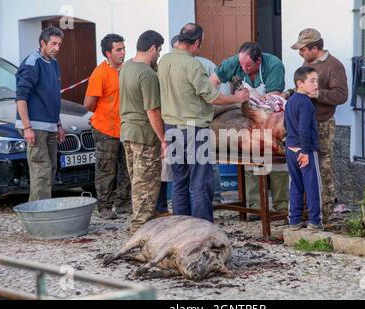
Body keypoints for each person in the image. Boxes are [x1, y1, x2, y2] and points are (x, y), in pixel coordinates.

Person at [158, 23, 249, 223]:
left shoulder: (164, 60)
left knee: (180, 181)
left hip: (171, 127)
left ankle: (180, 227)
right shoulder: (193, 65)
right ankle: (202, 228)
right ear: (197, 42)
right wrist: (237, 98)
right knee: (200, 182)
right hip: (194, 130)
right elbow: (211, 97)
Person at [210, 42, 289, 213]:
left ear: (259, 61)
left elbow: (273, 99)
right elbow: (212, 82)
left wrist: (255, 100)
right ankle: (256, 207)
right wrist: (213, 100)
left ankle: (281, 206)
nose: (244, 68)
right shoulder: (233, 63)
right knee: (252, 159)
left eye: (248, 65)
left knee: (276, 162)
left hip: (269, 115)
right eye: (241, 65)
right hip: (243, 116)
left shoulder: (274, 65)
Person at [286, 28, 348, 224]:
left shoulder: (334, 66)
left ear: (315, 48)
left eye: (303, 49)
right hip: (303, 123)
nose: (300, 53)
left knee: (323, 166)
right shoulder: (308, 63)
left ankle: (325, 212)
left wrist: (318, 94)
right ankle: (307, 211)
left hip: (322, 123)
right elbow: (302, 86)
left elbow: (341, 95)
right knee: (306, 168)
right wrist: (287, 94)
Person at [119, 30, 167, 233]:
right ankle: (140, 228)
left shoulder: (126, 66)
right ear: (153, 48)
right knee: (146, 184)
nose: (158, 55)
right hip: (144, 135)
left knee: (136, 181)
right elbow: (152, 111)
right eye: (159, 50)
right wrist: (163, 139)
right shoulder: (147, 74)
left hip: (127, 131)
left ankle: (140, 222)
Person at [15, 26, 66, 202]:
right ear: (42, 42)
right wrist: (27, 127)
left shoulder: (53, 63)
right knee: (41, 170)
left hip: (50, 125)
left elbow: (52, 97)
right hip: (34, 126)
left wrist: (58, 124)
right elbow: (21, 97)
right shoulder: (32, 63)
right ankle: (40, 216)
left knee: (50, 169)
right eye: (53, 44)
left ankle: (41, 210)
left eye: (59, 44)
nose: (57, 48)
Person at [84, 34, 131, 220]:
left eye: (123, 48)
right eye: (118, 49)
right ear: (108, 53)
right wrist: (104, 113)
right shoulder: (100, 73)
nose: (123, 52)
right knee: (106, 169)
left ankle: (124, 204)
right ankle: (104, 207)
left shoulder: (128, 69)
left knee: (127, 168)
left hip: (125, 128)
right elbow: (88, 104)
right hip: (105, 130)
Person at [285, 66, 323, 231]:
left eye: (317, 81)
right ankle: (315, 221)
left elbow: (287, 125)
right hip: (304, 150)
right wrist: (306, 151)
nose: (316, 84)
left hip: (291, 149)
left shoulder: (291, 101)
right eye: (312, 81)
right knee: (312, 185)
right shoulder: (306, 103)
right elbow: (304, 129)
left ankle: (294, 220)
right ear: (300, 83)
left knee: (295, 185)